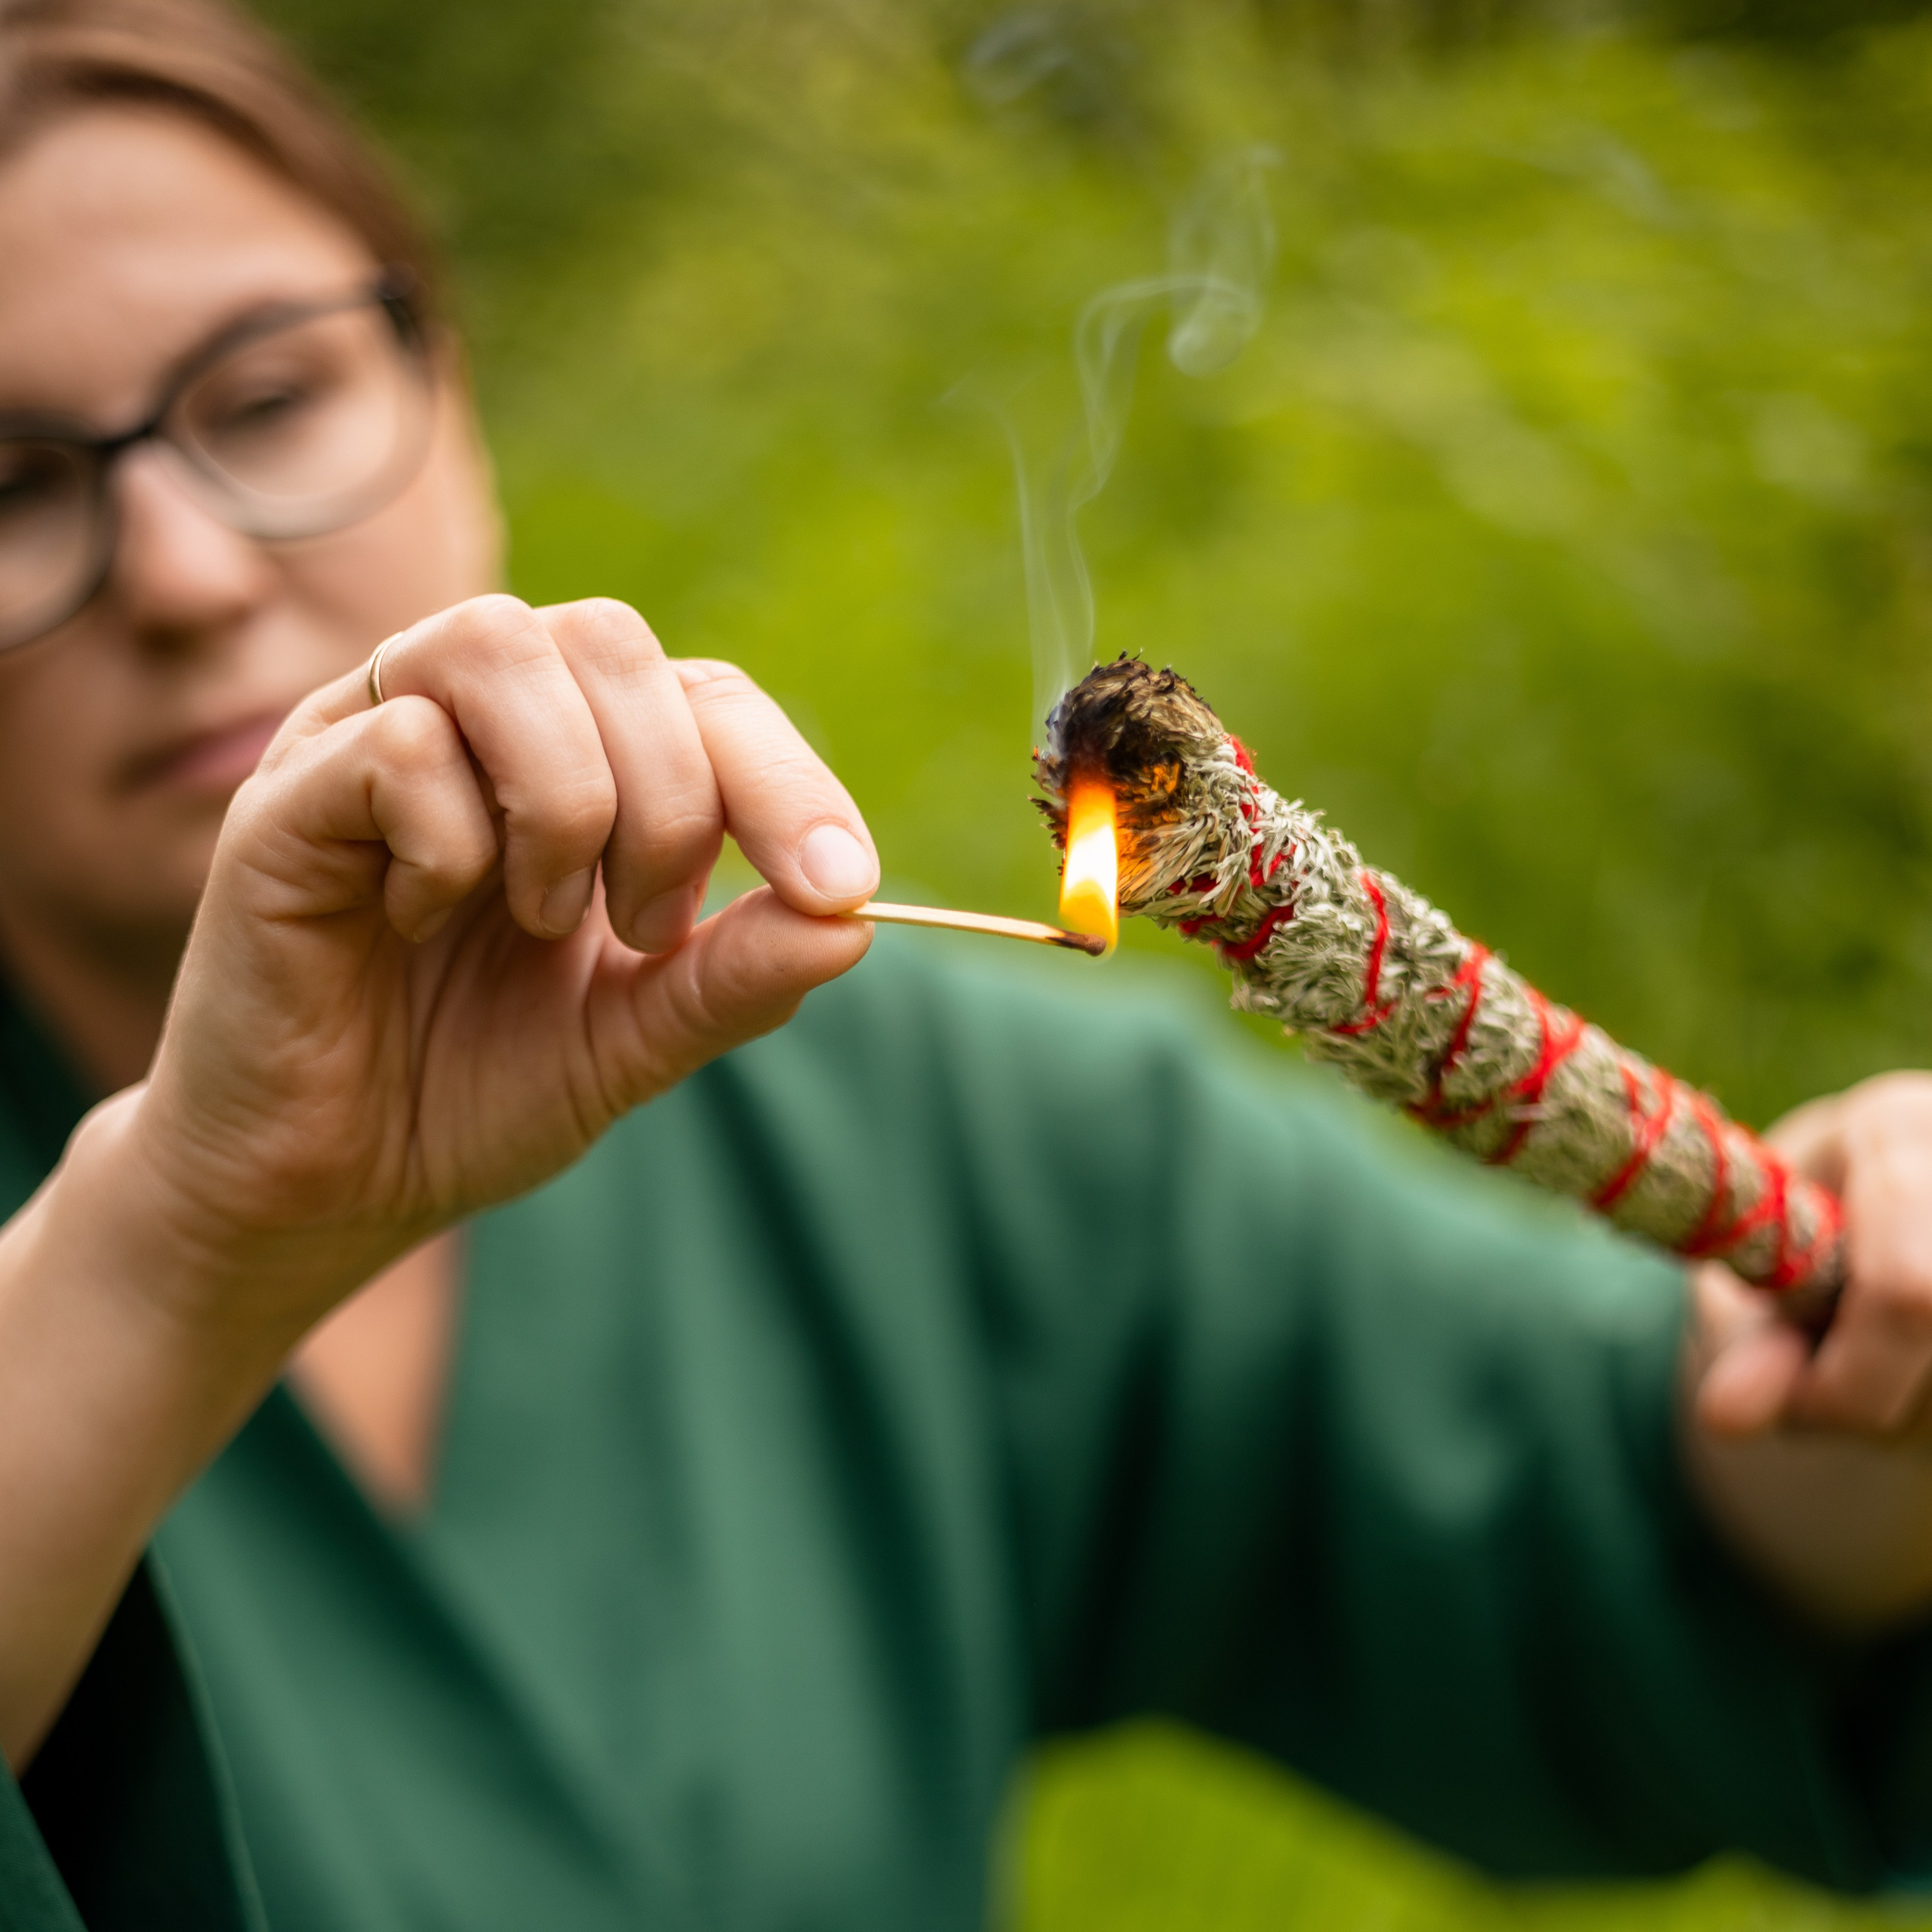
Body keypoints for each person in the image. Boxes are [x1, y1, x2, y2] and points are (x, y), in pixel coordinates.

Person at [5, 0, 1932, 1925]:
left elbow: (1616, 1509)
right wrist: (183, 1239)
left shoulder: (916, 1114)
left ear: (455, 395)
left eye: (269, 398)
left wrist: (1879, 1352)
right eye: (10, 484)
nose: (185, 573)